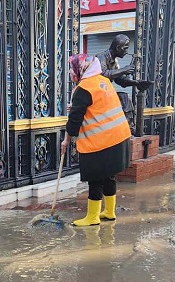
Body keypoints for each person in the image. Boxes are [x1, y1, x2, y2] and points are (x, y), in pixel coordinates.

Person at [61, 54, 131, 227]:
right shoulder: (102, 81)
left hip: (101, 140)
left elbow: (75, 121)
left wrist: (66, 139)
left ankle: (92, 217)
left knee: (96, 178)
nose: (71, 72)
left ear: (81, 68)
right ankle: (109, 211)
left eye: (72, 68)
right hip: (119, 136)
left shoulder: (83, 88)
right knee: (109, 175)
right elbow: (97, 107)